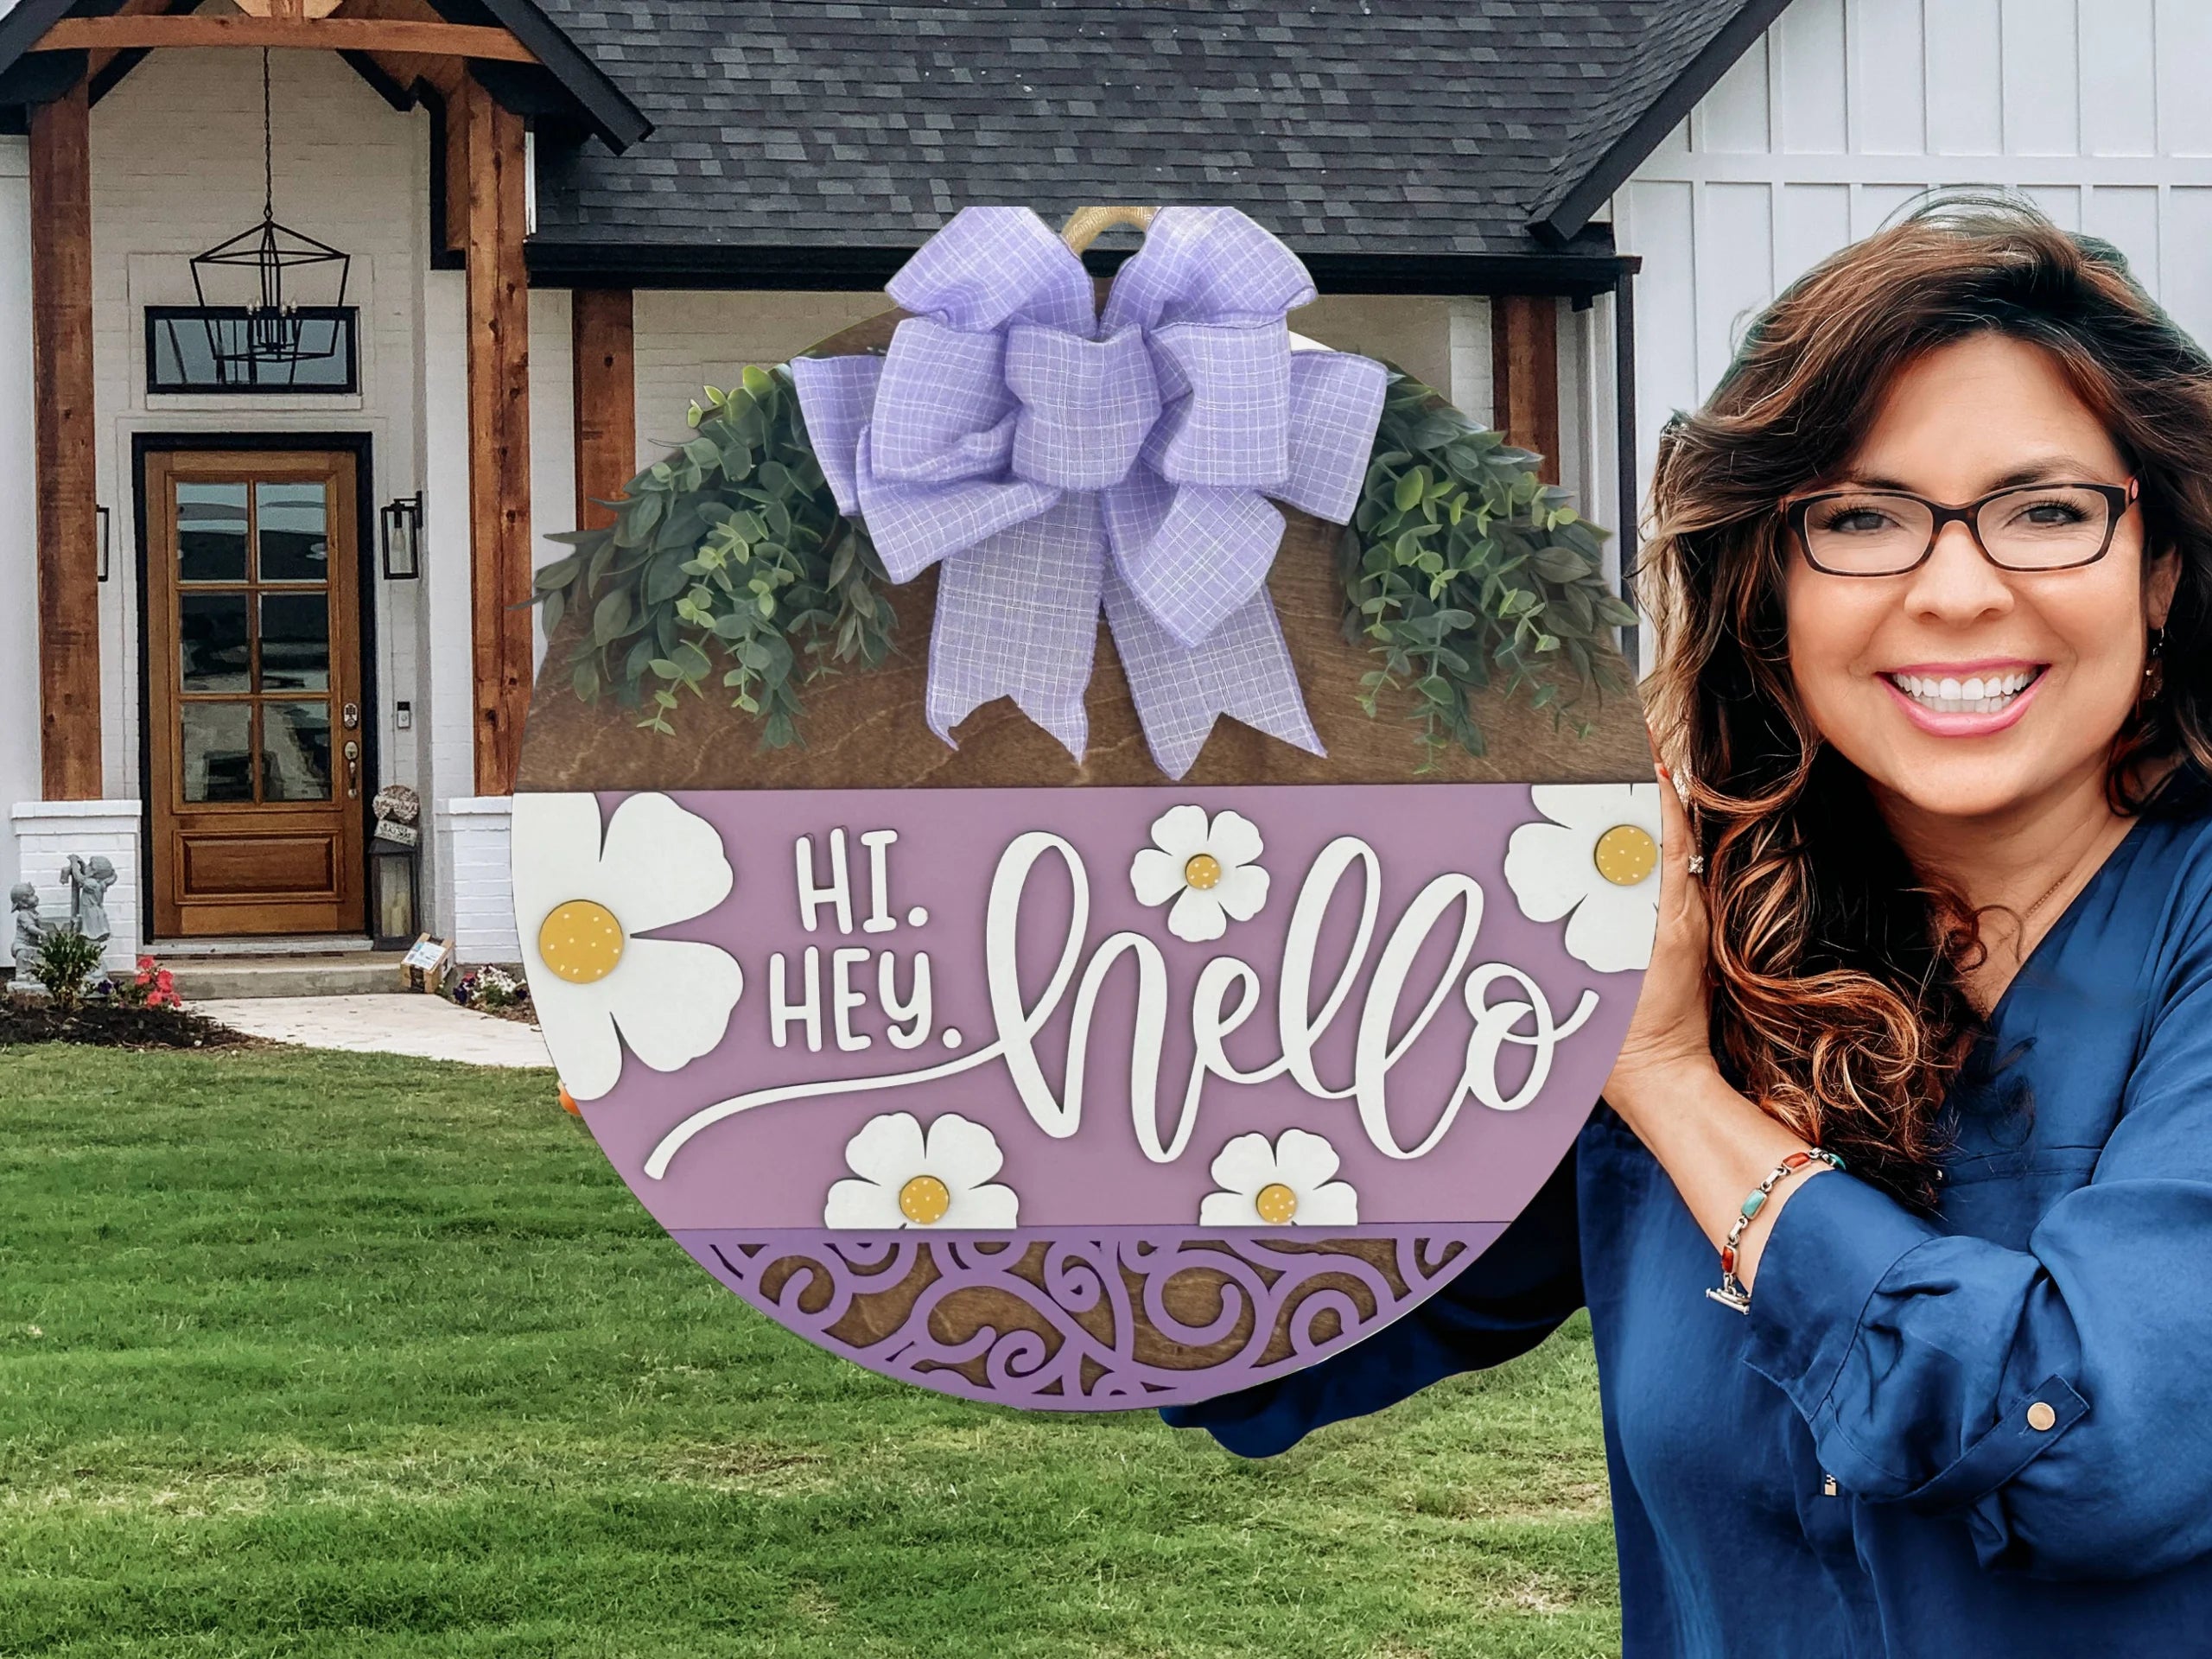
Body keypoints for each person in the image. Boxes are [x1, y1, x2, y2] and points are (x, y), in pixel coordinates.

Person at [1162, 192, 2212, 1656]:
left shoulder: (1661, 1025)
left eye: (2048, 511)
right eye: (1860, 518)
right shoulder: (1683, 930)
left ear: (2158, 572)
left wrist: (1669, 1086)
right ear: (1769, 589)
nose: (1959, 590)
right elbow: (1252, 1335)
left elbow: (2092, 1454)